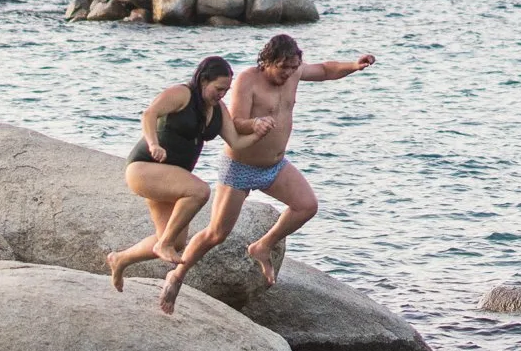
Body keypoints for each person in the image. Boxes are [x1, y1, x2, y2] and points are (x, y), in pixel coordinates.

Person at [158, 30, 375, 313]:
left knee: (306, 206)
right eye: (283, 68)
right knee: (216, 234)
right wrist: (255, 123)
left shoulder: (294, 73)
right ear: (268, 61)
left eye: (293, 68)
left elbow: (324, 70)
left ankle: (262, 246)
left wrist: (353, 66)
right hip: (240, 167)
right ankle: (177, 275)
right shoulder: (248, 79)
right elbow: (234, 121)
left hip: (274, 166)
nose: (288, 74)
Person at [106, 55, 236, 288]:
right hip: (145, 167)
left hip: (169, 179)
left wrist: (260, 130)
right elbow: (149, 114)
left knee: (177, 242)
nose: (222, 94)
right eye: (219, 88)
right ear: (203, 80)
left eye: (226, 90)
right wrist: (154, 144)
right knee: (199, 191)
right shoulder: (182, 93)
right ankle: (162, 244)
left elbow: (236, 141)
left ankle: (120, 259)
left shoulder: (217, 109)